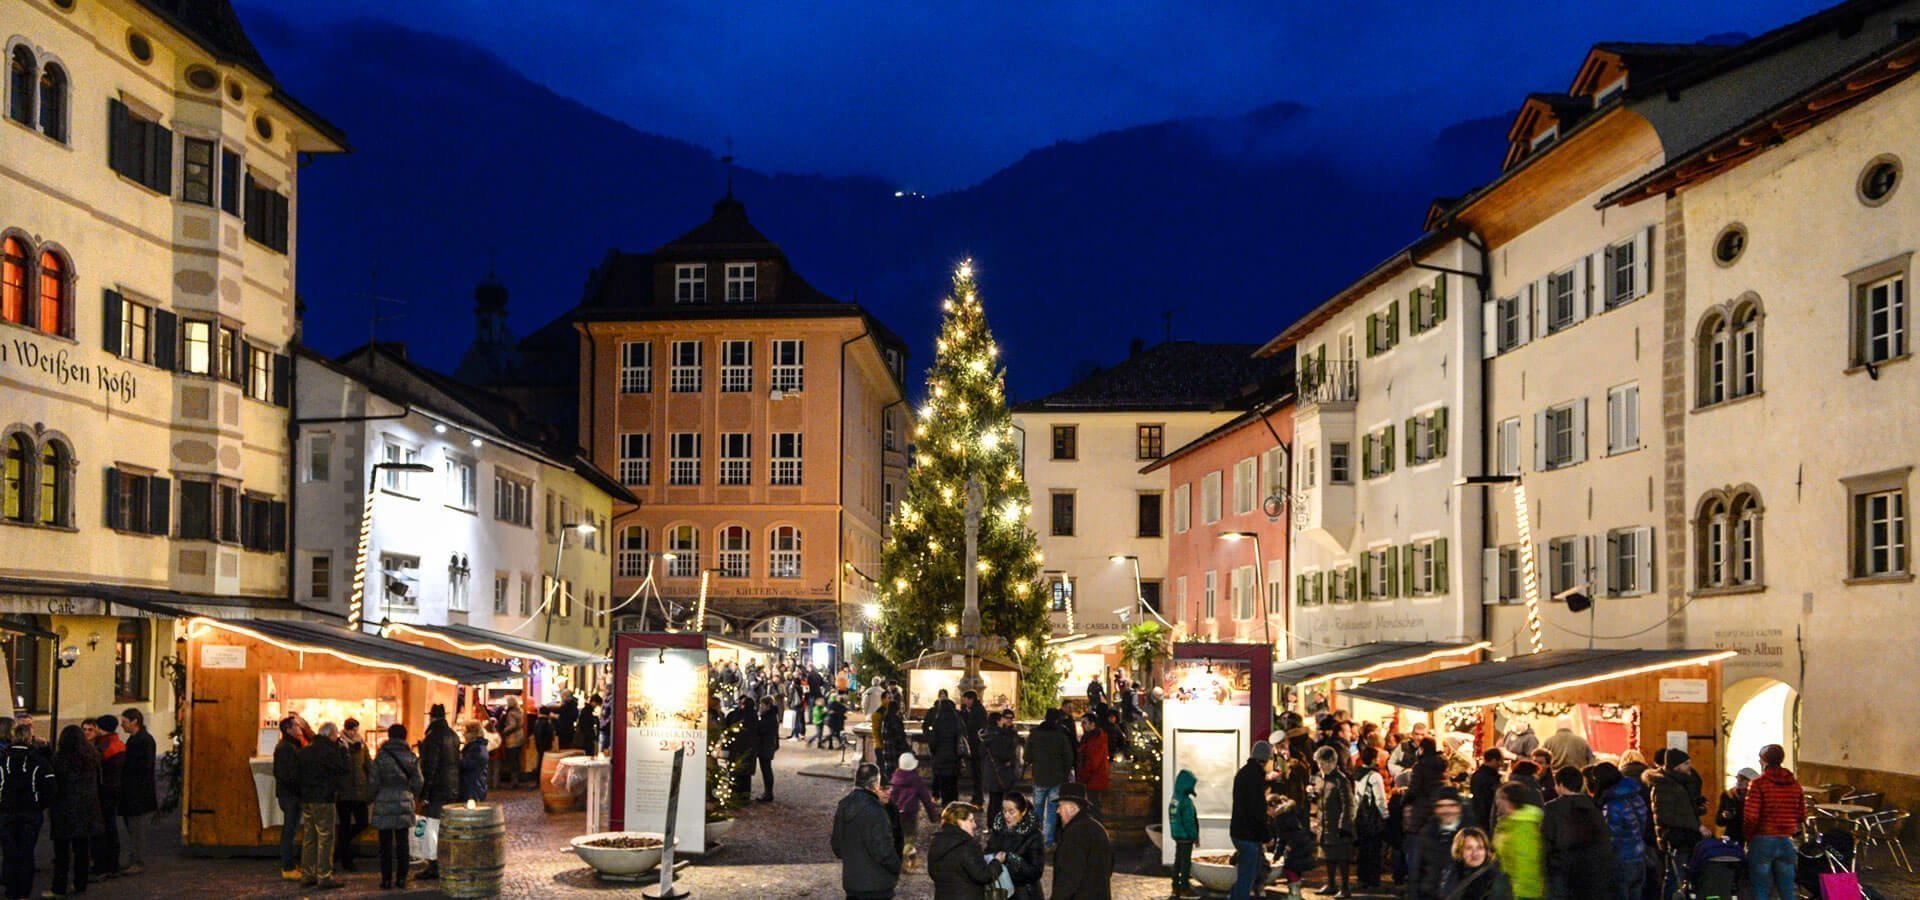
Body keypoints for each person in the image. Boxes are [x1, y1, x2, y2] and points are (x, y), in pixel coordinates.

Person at [832, 764, 903, 900]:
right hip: (877, 885)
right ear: (875, 784)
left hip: (853, 884)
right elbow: (883, 851)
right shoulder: (876, 811)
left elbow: (837, 846)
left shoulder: (844, 805)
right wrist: (896, 866)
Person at [1742, 745, 1804, 900]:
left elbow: (1751, 816)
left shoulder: (1758, 784)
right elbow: (1802, 814)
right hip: (1786, 841)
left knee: (1761, 888)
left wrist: (1748, 836)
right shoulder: (1794, 784)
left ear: (1764, 761)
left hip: (1762, 839)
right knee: (1787, 889)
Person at [1540, 767, 1611, 899]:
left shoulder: (1551, 809)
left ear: (1560, 785)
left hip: (1562, 870)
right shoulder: (1593, 806)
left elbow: (1545, 842)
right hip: (1592, 870)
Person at [0, 722, 52, 900]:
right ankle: (23, 893)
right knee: (26, 853)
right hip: (31, 812)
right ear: (30, 737)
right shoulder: (37, 760)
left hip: (5, 812)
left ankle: (10, 890)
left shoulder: (2, 758)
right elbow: (50, 785)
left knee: (9, 853)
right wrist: (41, 804)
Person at [1644, 748, 1707, 894]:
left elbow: (1682, 809)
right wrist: (1697, 826)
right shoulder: (1666, 785)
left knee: (1677, 875)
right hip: (1676, 837)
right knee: (1675, 876)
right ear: (1676, 766)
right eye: (1686, 763)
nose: (1689, 766)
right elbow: (1667, 815)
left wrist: (1699, 807)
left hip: (1681, 836)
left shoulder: (1676, 782)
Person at [51, 725, 103, 898]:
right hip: (86, 808)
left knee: (62, 852)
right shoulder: (92, 757)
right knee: (82, 850)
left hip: (64, 809)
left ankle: (59, 887)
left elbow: (56, 785)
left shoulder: (59, 759)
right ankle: (80, 884)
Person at [295, 722, 348, 889]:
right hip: (324, 798)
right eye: (336, 735)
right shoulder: (330, 751)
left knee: (309, 837)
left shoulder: (306, 750)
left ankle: (307, 874)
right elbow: (343, 770)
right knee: (326, 837)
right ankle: (324, 876)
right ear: (331, 735)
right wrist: (344, 751)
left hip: (307, 798)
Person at [371, 723, 423, 891]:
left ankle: (386, 880)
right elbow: (419, 781)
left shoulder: (381, 756)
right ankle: (402, 878)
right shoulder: (410, 756)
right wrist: (411, 793)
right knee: (403, 843)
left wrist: (373, 796)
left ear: (389, 736)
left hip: (384, 801)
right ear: (404, 736)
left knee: (385, 845)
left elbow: (373, 781)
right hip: (404, 800)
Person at [1591, 762, 1649, 900]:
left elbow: (1611, 835)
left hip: (1620, 860)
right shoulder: (1636, 796)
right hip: (1639, 855)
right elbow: (1642, 823)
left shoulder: (1611, 804)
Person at [417, 705, 461, 881]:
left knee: (432, 829)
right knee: (445, 828)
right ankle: (446, 862)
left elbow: (430, 767)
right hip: (451, 788)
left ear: (431, 717)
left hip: (437, 790)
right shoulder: (453, 735)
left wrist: (425, 793)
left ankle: (434, 866)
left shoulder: (433, 737)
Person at [927, 802, 1005, 900]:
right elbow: (983, 876)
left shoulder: (936, 842)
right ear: (959, 821)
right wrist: (997, 862)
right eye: (971, 821)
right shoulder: (968, 845)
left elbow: (933, 873)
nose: (975, 825)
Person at [1228, 741, 1275, 900]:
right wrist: (1266, 835)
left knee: (1244, 873)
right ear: (1265, 759)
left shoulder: (1243, 773)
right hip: (1249, 834)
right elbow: (1257, 811)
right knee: (1247, 876)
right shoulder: (1255, 777)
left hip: (1238, 831)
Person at [1051, 783, 1114, 900]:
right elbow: (1109, 867)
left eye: (1060, 806)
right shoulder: (1098, 828)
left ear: (1072, 808)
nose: (1057, 811)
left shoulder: (1074, 833)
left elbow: (1069, 877)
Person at [1027, 708, 1077, 848]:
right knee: (1051, 811)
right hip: (1057, 779)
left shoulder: (1035, 734)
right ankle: (1047, 842)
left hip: (1039, 777)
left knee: (1037, 809)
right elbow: (1069, 758)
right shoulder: (1061, 736)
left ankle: (1035, 840)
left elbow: (1026, 756)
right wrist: (1065, 772)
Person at [117, 708, 158, 877]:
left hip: (137, 792)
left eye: (124, 721)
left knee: (136, 828)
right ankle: (134, 857)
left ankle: (137, 860)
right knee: (133, 827)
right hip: (134, 791)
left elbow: (144, 766)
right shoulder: (138, 739)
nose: (122, 725)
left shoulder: (142, 741)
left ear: (134, 722)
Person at [86, 715, 125, 881]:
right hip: (114, 790)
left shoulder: (105, 746)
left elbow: (94, 764)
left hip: (104, 792)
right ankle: (112, 864)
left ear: (101, 728)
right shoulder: (118, 743)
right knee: (110, 827)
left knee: (103, 829)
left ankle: (103, 866)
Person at [987, 790, 1046, 900]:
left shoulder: (1034, 835)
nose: (1006, 816)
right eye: (1004, 811)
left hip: (1024, 894)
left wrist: (1012, 860)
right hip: (1001, 892)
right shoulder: (998, 830)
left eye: (1011, 811)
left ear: (1022, 812)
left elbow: (1036, 871)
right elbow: (988, 853)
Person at [1316, 744, 1357, 897]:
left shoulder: (1341, 780)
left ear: (1332, 762)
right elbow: (1320, 798)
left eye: (1323, 763)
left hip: (1338, 826)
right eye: (1319, 763)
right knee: (1328, 857)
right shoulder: (1321, 778)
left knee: (1342, 858)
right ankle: (1331, 884)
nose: (1320, 767)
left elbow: (1348, 804)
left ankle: (1345, 887)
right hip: (1325, 824)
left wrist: (1344, 825)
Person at [334, 718, 374, 874]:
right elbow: (340, 766)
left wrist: (371, 781)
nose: (354, 733)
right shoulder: (339, 745)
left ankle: (339, 850)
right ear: (346, 729)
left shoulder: (362, 743)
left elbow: (368, 763)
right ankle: (346, 860)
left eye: (356, 730)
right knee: (344, 825)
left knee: (362, 822)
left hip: (360, 791)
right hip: (344, 791)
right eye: (352, 730)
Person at [1413, 787, 1467, 900]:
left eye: (1451, 805)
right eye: (1441, 806)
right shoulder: (1427, 833)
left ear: (1459, 807)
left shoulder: (1471, 833)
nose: (1446, 810)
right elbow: (1416, 872)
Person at [1492, 783, 1544, 900]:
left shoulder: (1524, 827)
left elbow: (1526, 862)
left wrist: (1524, 895)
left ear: (1508, 800)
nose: (1497, 803)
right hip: (1510, 887)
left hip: (1521, 892)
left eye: (1499, 798)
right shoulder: (1508, 823)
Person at [272, 715, 309, 879]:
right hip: (290, 796)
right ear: (288, 729)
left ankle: (290, 865)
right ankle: (287, 867)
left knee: (291, 829)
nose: (299, 728)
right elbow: (286, 774)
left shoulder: (289, 745)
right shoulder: (286, 748)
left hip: (290, 794)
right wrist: (300, 786)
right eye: (296, 726)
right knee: (289, 830)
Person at [1438, 827, 1514, 900]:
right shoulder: (1451, 874)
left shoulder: (1497, 880)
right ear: (1460, 851)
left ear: (1486, 850)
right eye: (1469, 848)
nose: (1475, 853)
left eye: (1480, 848)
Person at [1353, 745, 1390, 892]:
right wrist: (1386, 816)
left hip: (1362, 816)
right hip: (1373, 817)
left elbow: (1357, 797)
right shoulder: (1375, 776)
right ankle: (1373, 880)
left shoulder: (1359, 773)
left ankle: (1362, 877)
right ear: (1374, 759)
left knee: (1363, 849)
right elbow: (1380, 799)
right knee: (1374, 849)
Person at [891, 753, 939, 867]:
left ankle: (899, 858)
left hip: (897, 814)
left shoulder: (895, 778)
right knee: (910, 837)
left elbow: (891, 797)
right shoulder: (916, 780)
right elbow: (926, 799)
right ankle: (907, 862)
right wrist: (932, 816)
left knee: (898, 836)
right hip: (910, 814)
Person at [981, 711, 1023, 817]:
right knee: (997, 800)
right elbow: (1003, 753)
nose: (1008, 720)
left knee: (994, 799)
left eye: (1011, 718)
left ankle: (993, 823)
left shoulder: (986, 733)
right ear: (999, 720)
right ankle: (996, 824)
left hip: (992, 770)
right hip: (999, 770)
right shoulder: (998, 734)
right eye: (1005, 718)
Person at [1168, 768, 1200, 900]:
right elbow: (1189, 822)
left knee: (1177, 861)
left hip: (1177, 836)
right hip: (1186, 838)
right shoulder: (1186, 802)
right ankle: (1185, 887)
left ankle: (1175, 885)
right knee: (1185, 863)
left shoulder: (1175, 799)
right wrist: (1195, 836)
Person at [926, 699, 964, 805]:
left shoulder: (938, 722)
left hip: (941, 758)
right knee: (953, 784)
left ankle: (946, 805)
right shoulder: (957, 722)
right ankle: (954, 803)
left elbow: (933, 742)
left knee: (944, 784)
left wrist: (934, 752)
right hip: (954, 758)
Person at [1075, 713, 1111, 818]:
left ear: (1092, 724)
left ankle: (1096, 830)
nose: (1082, 725)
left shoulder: (1096, 739)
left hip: (1093, 779)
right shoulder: (1090, 738)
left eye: (1084, 723)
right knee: (1092, 806)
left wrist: (1083, 777)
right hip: (1091, 779)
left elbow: (1093, 762)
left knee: (1093, 807)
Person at [959, 691, 989, 805]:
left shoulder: (978, 711)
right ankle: (977, 796)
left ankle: (978, 796)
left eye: (965, 699)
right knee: (976, 773)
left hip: (976, 746)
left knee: (977, 772)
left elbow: (972, 727)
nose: (964, 702)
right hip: (975, 745)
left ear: (970, 699)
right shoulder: (975, 710)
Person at [1715, 767, 1757, 844]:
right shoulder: (1728, 795)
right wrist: (1724, 816)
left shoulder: (1756, 797)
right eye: (1738, 778)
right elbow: (1719, 822)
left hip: (1753, 836)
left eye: (1743, 779)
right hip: (1733, 835)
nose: (1739, 781)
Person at [1469, 749, 1505, 832]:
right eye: (1500, 761)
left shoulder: (1477, 775)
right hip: (1487, 816)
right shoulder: (1491, 778)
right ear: (1494, 760)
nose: (1501, 764)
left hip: (1478, 815)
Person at [755, 695, 782, 801]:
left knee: (766, 769)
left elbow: (762, 730)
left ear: (768, 706)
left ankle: (768, 793)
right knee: (766, 769)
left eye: (762, 705)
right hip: (768, 745)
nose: (760, 707)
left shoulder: (768, 717)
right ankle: (768, 792)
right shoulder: (771, 716)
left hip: (766, 745)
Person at [497, 697, 527, 789]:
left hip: (512, 739)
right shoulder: (520, 711)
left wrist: (504, 731)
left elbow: (512, 725)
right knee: (516, 759)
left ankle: (513, 781)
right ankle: (516, 780)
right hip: (520, 737)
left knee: (512, 760)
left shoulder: (511, 713)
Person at [459, 720, 490, 802]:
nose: (463, 734)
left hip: (473, 788)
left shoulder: (476, 749)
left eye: (465, 732)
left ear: (472, 733)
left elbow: (466, 764)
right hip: (475, 786)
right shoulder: (477, 747)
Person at [879, 699, 910, 782]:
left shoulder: (885, 719)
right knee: (897, 772)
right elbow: (899, 737)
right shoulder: (895, 720)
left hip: (887, 749)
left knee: (890, 772)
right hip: (895, 750)